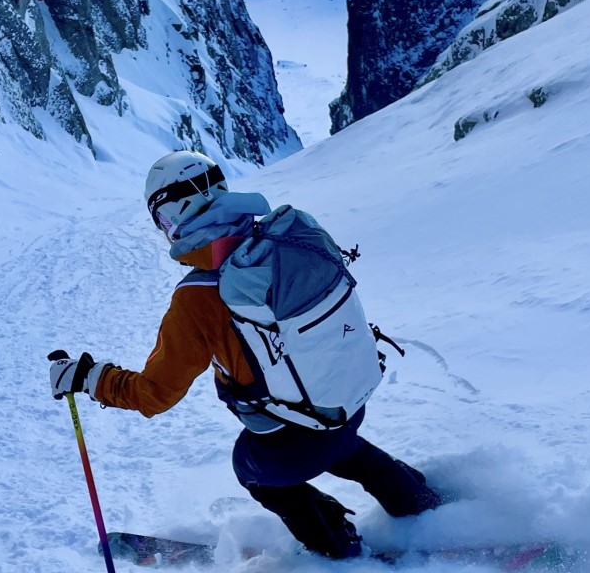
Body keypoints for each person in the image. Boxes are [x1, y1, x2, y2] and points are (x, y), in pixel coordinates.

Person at [48, 150, 442, 560]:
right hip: (346, 405)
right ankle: (421, 502)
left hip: (292, 439)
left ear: (178, 213)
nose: (166, 231)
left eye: (164, 220)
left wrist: (89, 378)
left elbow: (154, 394)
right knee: (340, 445)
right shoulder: (281, 240)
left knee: (251, 465)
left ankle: (337, 548)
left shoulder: (198, 298)